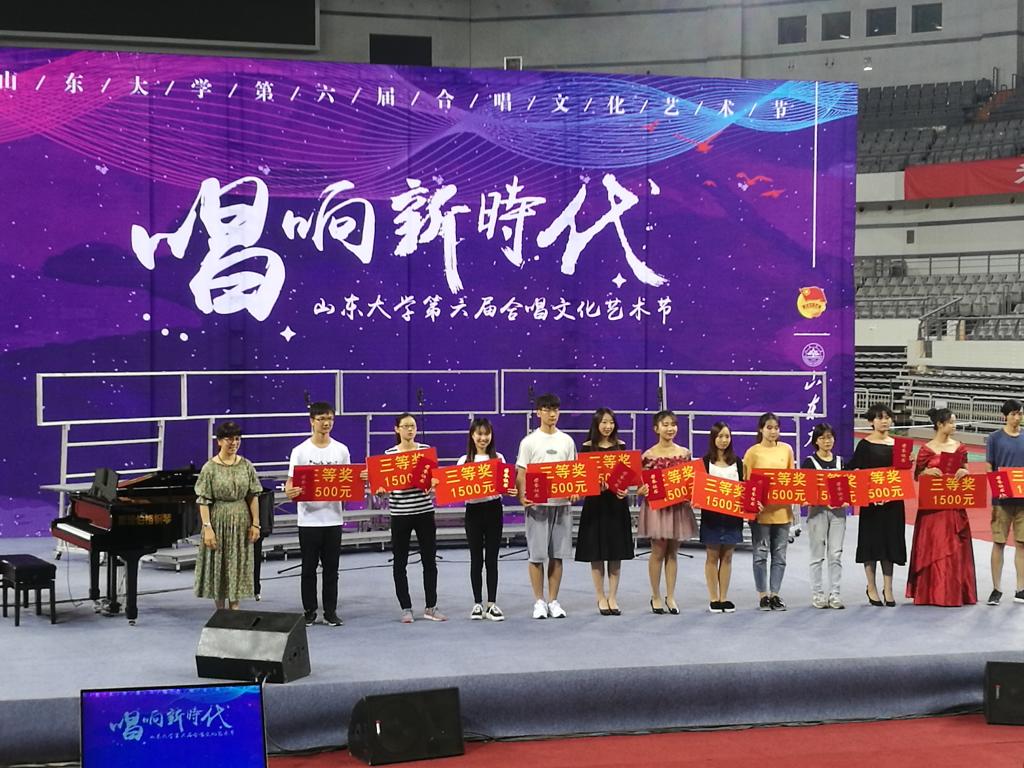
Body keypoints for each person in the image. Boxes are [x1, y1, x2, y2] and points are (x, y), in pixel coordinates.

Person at [285, 402, 350, 627]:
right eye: (321, 419)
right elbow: (291, 482)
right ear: (312, 421)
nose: (326, 423)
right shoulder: (300, 451)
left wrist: (359, 479)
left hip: (333, 518)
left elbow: (348, 480)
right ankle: (309, 610)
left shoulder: (341, 450)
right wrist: (290, 491)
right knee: (308, 568)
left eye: (330, 418)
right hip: (308, 520)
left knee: (332, 569)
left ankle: (330, 611)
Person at [378, 413, 447, 623]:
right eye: (405, 426)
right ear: (397, 429)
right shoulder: (389, 455)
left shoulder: (425, 451)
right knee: (400, 562)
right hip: (400, 513)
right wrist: (381, 491)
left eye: (413, 426)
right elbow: (383, 488)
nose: (410, 429)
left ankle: (431, 606)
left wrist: (434, 484)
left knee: (429, 561)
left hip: (424, 512)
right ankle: (405, 608)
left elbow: (435, 480)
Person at [907, 407, 977, 607]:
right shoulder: (926, 449)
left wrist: (964, 472)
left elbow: (966, 470)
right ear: (939, 424)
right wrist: (927, 472)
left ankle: (955, 592)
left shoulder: (960, 448)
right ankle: (929, 593)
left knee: (955, 547)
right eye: (951, 422)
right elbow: (918, 476)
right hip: (932, 508)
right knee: (933, 545)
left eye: (954, 422)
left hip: (954, 505)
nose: (954, 426)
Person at [516, 393, 577, 619]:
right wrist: (522, 496)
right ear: (538, 412)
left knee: (557, 555)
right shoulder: (529, 442)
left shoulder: (567, 441)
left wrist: (575, 490)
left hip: (561, 506)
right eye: (547, 409)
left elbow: (574, 472)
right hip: (537, 506)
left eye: (555, 410)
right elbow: (521, 472)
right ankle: (539, 601)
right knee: (536, 556)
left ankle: (553, 600)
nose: (552, 414)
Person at [194, 421, 264, 610]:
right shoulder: (209, 468)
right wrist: (207, 528)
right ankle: (220, 611)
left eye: (237, 439)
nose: (234, 443)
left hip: (241, 521)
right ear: (219, 441)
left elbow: (253, 496)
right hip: (218, 520)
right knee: (219, 563)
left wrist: (256, 524)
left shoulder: (246, 465)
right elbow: (203, 500)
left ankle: (235, 608)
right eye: (229, 439)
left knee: (238, 563)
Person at [575, 408, 637, 616]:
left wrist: (624, 489)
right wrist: (594, 486)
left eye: (611, 422)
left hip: (617, 505)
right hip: (595, 505)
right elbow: (582, 480)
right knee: (596, 552)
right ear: (596, 424)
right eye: (604, 422)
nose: (608, 426)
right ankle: (600, 596)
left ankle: (613, 596)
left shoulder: (621, 446)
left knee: (616, 552)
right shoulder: (586, 448)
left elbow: (626, 476)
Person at [848, 403, 906, 607]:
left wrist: (908, 462)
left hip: (893, 503)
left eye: (887, 417)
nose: (884, 421)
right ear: (871, 421)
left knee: (890, 544)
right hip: (871, 504)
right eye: (880, 417)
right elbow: (853, 469)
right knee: (871, 544)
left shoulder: (899, 445)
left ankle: (888, 588)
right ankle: (871, 586)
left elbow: (902, 474)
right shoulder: (864, 445)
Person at [639, 410, 696, 614]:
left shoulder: (685, 453)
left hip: (678, 508)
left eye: (673, 424)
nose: (670, 428)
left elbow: (691, 481)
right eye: (665, 424)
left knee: (672, 552)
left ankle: (670, 596)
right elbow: (640, 485)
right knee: (658, 551)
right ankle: (655, 595)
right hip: (657, 510)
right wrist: (643, 490)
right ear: (656, 428)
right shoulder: (648, 456)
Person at [743, 412, 795, 611]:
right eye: (769, 428)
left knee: (780, 556)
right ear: (761, 429)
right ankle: (762, 595)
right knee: (760, 554)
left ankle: (775, 594)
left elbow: (792, 479)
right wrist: (752, 506)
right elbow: (747, 483)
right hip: (761, 514)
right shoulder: (752, 453)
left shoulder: (787, 450)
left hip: (783, 512)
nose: (773, 431)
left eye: (776, 428)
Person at [457, 418, 507, 621]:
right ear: (472, 436)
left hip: (493, 510)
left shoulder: (499, 458)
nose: (483, 438)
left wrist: (510, 488)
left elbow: (505, 483)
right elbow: (457, 488)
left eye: (486, 434)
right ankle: (477, 603)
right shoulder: (464, 461)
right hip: (473, 512)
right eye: (479, 434)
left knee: (492, 559)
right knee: (476, 558)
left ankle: (492, 604)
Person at [699, 422, 744, 614]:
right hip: (711, 517)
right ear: (713, 438)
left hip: (732, 516)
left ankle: (724, 597)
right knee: (712, 555)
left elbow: (744, 487)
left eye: (727, 436)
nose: (724, 440)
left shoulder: (738, 462)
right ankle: (713, 598)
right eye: (720, 436)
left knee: (727, 556)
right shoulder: (704, 462)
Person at [802, 422, 848, 609]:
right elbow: (805, 491)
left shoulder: (840, 462)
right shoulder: (809, 463)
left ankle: (835, 594)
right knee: (817, 555)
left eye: (830, 437)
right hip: (817, 513)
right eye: (822, 438)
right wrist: (820, 501)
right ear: (816, 441)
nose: (827, 441)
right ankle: (818, 594)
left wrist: (846, 500)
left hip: (838, 513)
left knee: (835, 554)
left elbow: (848, 487)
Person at [985, 399, 1024, 606]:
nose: (1017, 418)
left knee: (1022, 544)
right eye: (1013, 414)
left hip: (1023, 500)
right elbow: (989, 466)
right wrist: (997, 487)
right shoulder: (995, 438)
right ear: (1005, 416)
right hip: (1001, 500)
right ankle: (996, 588)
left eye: (1020, 413)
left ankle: (1021, 588)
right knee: (999, 542)